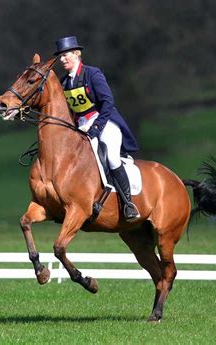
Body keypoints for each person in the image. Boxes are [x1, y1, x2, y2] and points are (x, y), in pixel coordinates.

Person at [54, 35, 140, 222]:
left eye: (65, 55)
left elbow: (108, 102)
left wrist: (97, 127)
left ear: (76, 54)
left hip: (105, 122)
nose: (62, 59)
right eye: (60, 57)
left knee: (111, 157)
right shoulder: (64, 82)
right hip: (81, 127)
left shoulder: (93, 74)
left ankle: (129, 204)